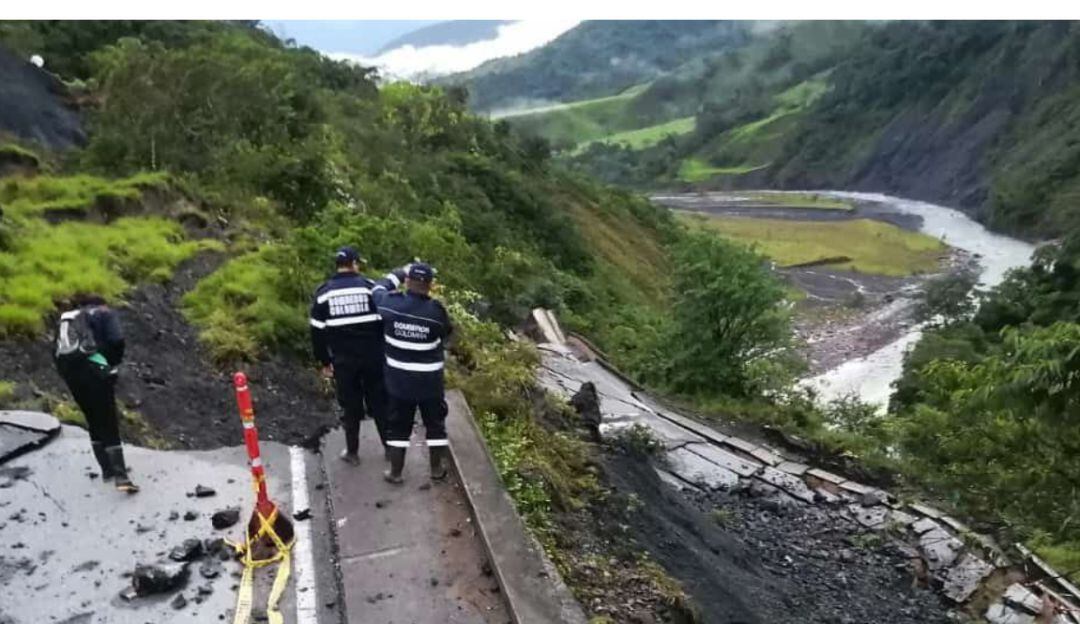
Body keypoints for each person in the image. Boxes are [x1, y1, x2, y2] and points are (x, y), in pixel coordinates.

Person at [371, 262, 453, 484]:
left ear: (407, 282)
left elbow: (377, 289)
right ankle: (436, 470)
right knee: (435, 425)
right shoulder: (436, 312)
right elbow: (446, 333)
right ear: (430, 285)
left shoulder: (389, 305)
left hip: (399, 382)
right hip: (430, 383)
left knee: (398, 427)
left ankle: (395, 473)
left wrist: (396, 274)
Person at [309, 246, 389, 464]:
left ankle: (352, 453)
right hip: (373, 358)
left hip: (344, 361)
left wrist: (324, 362)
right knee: (380, 403)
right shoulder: (370, 288)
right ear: (354, 264)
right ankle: (390, 449)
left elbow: (317, 333)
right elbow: (384, 321)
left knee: (350, 406)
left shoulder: (324, 294)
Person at [53, 294, 139, 493]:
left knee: (93, 418)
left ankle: (107, 470)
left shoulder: (68, 319)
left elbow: (56, 352)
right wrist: (110, 364)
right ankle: (121, 477)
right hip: (96, 373)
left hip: (72, 375)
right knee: (108, 419)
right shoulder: (104, 314)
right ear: (103, 304)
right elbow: (117, 339)